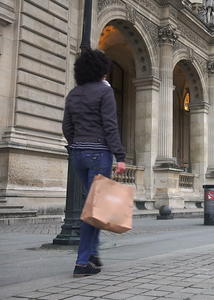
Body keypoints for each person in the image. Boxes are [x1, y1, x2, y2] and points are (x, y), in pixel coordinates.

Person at [62, 48, 126, 278]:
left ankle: (93, 253)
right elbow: (110, 126)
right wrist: (120, 156)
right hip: (100, 155)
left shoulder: (73, 93)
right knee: (94, 210)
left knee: (95, 206)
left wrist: (77, 144)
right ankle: (82, 263)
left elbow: (67, 127)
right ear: (101, 69)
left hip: (78, 155)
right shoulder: (104, 92)